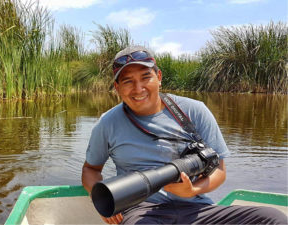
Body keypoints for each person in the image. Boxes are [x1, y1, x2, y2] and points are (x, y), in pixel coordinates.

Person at [82, 45, 287, 224]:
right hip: (142, 211)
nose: (138, 88)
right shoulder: (107, 123)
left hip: (197, 208)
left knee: (271, 217)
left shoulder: (194, 111)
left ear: (159, 77)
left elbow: (220, 171)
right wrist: (101, 199)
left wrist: (193, 190)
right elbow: (91, 169)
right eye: (127, 81)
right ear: (117, 87)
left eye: (146, 77)